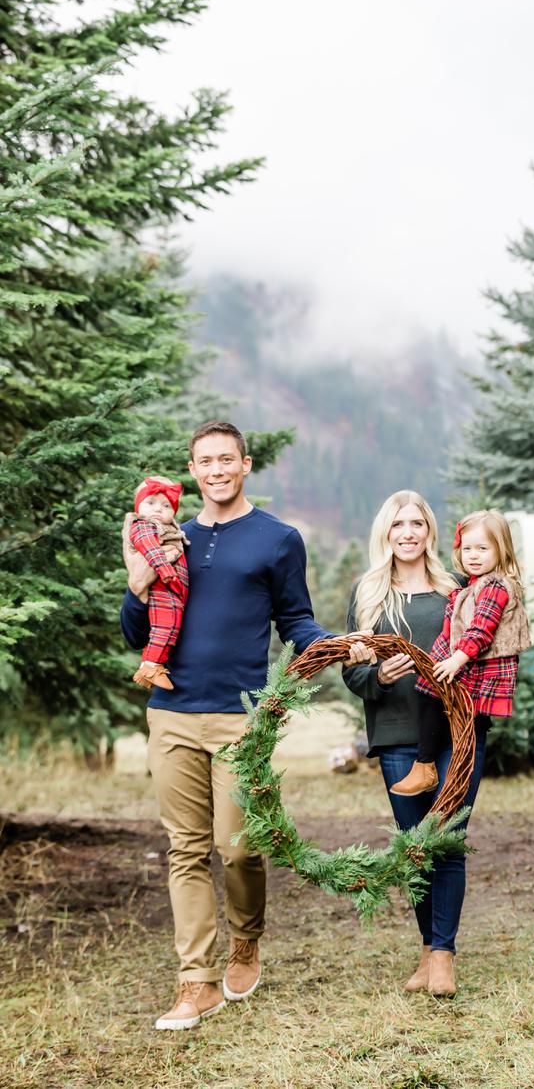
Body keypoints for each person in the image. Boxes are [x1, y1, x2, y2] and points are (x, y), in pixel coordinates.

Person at [121, 421, 373, 1030]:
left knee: (237, 849)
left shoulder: (277, 539)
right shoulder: (168, 538)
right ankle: (196, 981)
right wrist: (137, 583)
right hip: (172, 714)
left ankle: (246, 939)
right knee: (185, 850)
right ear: (192, 471)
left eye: (225, 459)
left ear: (245, 464)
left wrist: (340, 646)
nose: (216, 470)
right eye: (204, 461)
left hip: (240, 719)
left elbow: (296, 620)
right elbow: (136, 632)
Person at [342, 490, 493, 997]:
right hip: (397, 737)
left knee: (448, 838)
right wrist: (378, 675)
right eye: (397, 524)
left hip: (457, 733)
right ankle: (428, 949)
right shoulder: (369, 594)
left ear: (430, 531)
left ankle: (444, 955)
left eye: (417, 523)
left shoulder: (457, 589)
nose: (407, 533)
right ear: (384, 532)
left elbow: (486, 649)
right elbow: (352, 673)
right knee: (415, 847)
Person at [390, 509, 531, 797]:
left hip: (474, 666)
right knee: (433, 696)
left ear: (501, 550)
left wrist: (456, 659)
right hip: (461, 660)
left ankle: (427, 765)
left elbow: (481, 629)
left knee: (436, 695)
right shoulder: (473, 585)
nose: (473, 556)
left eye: (482, 549)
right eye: (467, 549)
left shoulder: (494, 586)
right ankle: (427, 766)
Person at [127, 476, 189, 692]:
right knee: (164, 627)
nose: (158, 509)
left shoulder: (172, 531)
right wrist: (166, 572)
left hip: (173, 591)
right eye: (150, 502)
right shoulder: (143, 525)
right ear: (138, 506)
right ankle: (150, 666)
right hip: (163, 587)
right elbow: (151, 550)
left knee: (171, 627)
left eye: (166, 505)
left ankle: (153, 664)